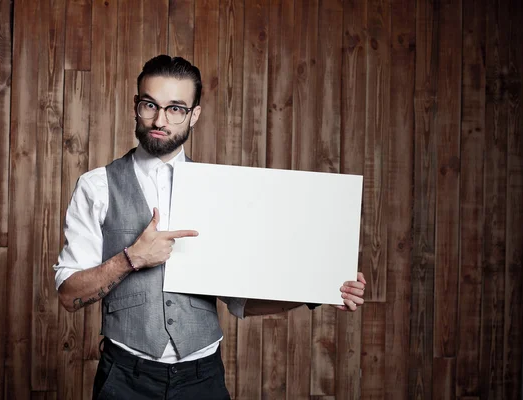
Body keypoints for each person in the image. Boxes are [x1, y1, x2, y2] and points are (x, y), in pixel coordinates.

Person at [54, 55, 366, 400]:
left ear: (194, 115)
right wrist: (132, 258)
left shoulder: (218, 191)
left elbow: (242, 302)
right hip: (125, 378)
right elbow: (69, 296)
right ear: (136, 105)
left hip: (202, 380)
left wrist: (320, 289)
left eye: (175, 109)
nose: (160, 119)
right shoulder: (96, 186)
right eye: (150, 105)